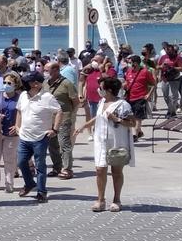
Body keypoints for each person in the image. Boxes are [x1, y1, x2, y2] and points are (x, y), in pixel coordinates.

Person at [73, 77, 137, 213]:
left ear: (108, 90)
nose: (99, 90)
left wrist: (117, 119)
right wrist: (85, 125)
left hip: (117, 141)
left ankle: (117, 199)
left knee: (116, 171)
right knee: (100, 169)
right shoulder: (102, 102)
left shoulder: (122, 104)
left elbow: (132, 123)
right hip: (101, 140)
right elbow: (99, 116)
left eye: (101, 88)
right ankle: (100, 200)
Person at [15, 72, 61, 203]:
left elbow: (58, 112)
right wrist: (17, 125)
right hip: (24, 136)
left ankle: (41, 191)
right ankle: (29, 183)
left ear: (36, 84)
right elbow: (19, 110)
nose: (24, 84)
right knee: (21, 162)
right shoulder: (23, 95)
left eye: (28, 81)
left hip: (40, 137)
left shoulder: (47, 97)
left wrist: (55, 129)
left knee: (40, 165)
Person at [44, 61, 78, 180]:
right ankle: (57, 167)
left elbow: (75, 101)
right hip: (49, 119)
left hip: (64, 117)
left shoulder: (66, 84)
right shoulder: (45, 83)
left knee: (64, 143)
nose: (45, 73)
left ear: (56, 71)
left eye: (47, 71)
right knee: (52, 145)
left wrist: (71, 115)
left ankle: (67, 169)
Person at [0, 72, 22, 193]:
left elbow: (23, 113)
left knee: (10, 159)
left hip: (11, 132)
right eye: (4, 82)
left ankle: (9, 183)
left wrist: (18, 125)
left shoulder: (19, 97)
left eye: (9, 83)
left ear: (15, 85)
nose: (6, 85)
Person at [123, 55, 156, 141]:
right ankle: (139, 131)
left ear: (136, 63)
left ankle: (135, 135)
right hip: (129, 97)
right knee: (131, 117)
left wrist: (149, 94)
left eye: (130, 63)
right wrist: (123, 86)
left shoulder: (145, 72)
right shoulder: (129, 71)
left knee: (138, 117)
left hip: (140, 97)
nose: (129, 65)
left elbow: (153, 84)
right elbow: (127, 82)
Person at [156, 44, 182, 117]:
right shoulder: (163, 57)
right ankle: (171, 109)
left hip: (174, 78)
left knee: (173, 96)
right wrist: (161, 67)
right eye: (166, 50)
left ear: (173, 50)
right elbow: (157, 66)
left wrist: (172, 68)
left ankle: (171, 112)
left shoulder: (178, 57)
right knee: (166, 96)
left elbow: (181, 68)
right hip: (165, 79)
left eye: (169, 50)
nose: (168, 52)